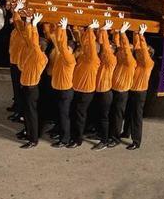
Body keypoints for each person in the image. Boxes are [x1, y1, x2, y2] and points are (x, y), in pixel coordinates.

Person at [68, 20, 101, 149]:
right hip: (78, 88)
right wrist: (84, 31)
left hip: (85, 92)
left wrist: (91, 29)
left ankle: (77, 139)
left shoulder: (93, 59)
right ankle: (75, 135)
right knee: (76, 114)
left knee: (79, 115)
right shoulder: (84, 56)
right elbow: (84, 42)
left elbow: (90, 45)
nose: (85, 47)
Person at [17, 12, 47, 149]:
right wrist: (28, 22)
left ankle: (33, 139)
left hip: (31, 89)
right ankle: (28, 133)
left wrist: (33, 25)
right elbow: (31, 40)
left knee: (31, 114)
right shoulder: (35, 55)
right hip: (26, 86)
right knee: (27, 113)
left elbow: (33, 42)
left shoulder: (40, 57)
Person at [49, 16, 77, 148]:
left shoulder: (70, 59)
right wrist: (60, 27)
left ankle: (65, 139)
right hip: (59, 88)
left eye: (66, 48)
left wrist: (64, 28)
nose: (63, 48)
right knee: (59, 113)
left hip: (65, 91)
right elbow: (60, 42)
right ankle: (59, 132)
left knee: (64, 115)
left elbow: (62, 45)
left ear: (70, 49)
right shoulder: (63, 55)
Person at [124, 24, 153, 150]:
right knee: (129, 112)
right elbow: (137, 48)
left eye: (144, 50)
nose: (140, 51)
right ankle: (126, 132)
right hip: (132, 90)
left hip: (140, 92)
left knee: (136, 116)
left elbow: (143, 51)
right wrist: (136, 33)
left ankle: (136, 141)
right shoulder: (140, 61)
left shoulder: (148, 63)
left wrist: (141, 35)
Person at [92, 21, 117, 150]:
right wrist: (100, 31)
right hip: (99, 91)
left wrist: (104, 31)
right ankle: (99, 134)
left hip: (105, 93)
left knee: (104, 117)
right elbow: (102, 45)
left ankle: (104, 141)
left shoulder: (111, 60)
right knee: (98, 114)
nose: (104, 50)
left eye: (108, 48)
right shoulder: (103, 58)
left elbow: (105, 47)